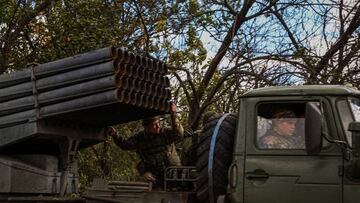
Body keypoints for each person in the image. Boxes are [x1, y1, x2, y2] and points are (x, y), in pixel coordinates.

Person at [109, 103, 183, 188]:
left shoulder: (165, 132)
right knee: (144, 182)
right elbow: (125, 145)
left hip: (174, 173)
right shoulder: (140, 138)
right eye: (154, 124)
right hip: (155, 177)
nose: (158, 126)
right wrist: (115, 135)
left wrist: (173, 114)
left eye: (158, 123)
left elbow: (179, 134)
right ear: (146, 127)